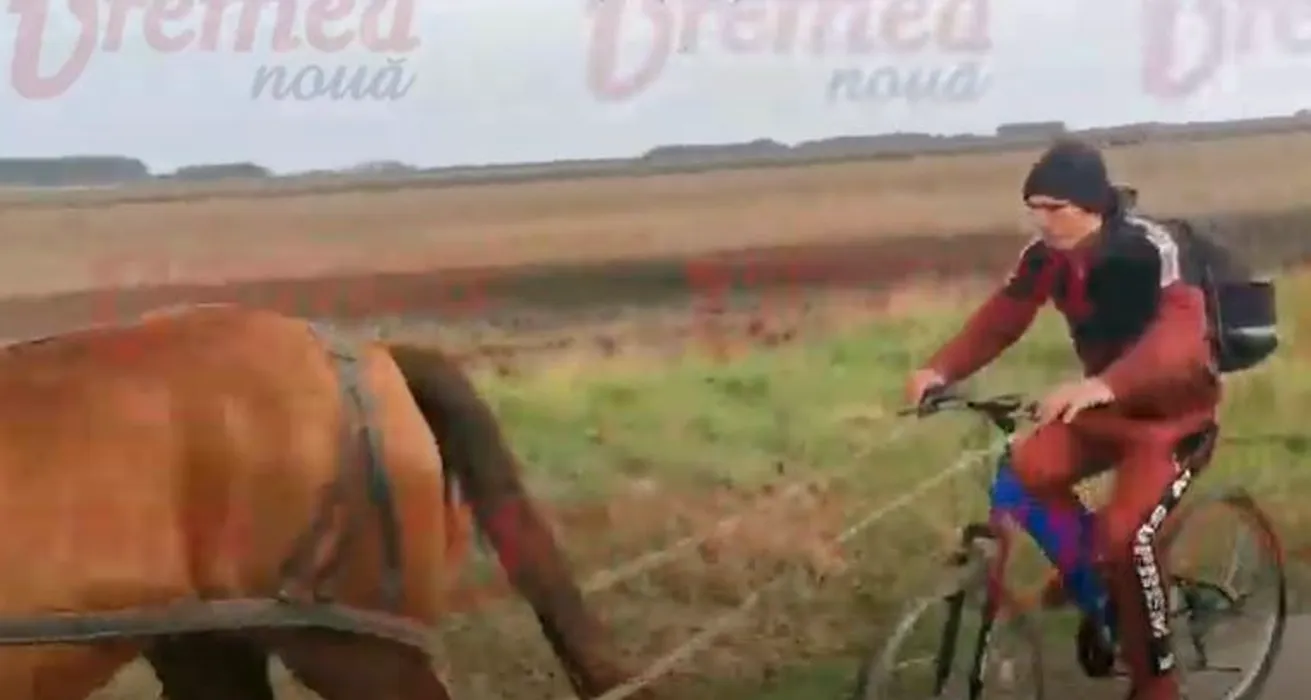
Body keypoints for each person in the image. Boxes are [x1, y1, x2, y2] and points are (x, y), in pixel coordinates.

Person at [906, 138, 1219, 700]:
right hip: (1101, 412)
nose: (1043, 221)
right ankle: (1094, 577)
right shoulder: (1044, 258)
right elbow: (1003, 317)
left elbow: (1180, 338)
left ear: (1093, 205)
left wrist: (1103, 384)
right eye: (1035, 209)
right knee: (1025, 472)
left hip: (1172, 420)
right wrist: (940, 369)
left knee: (1126, 537)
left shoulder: (1151, 247)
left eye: (1056, 209)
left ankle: (1157, 683)